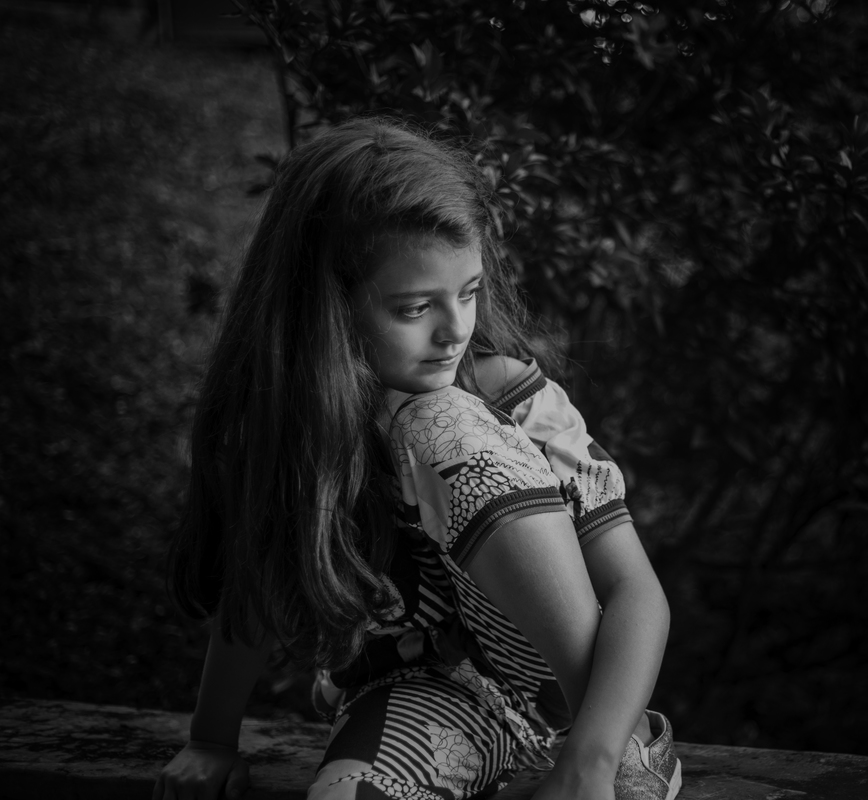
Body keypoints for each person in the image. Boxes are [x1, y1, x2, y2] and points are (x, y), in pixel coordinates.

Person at [152, 117, 678, 800]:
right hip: (427, 698)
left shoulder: (511, 399)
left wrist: (592, 762)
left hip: (587, 711)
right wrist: (211, 740)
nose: (456, 329)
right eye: (415, 307)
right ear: (329, 308)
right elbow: (256, 583)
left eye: (469, 292)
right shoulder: (291, 431)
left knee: (437, 422)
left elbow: (637, 591)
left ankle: (612, 768)